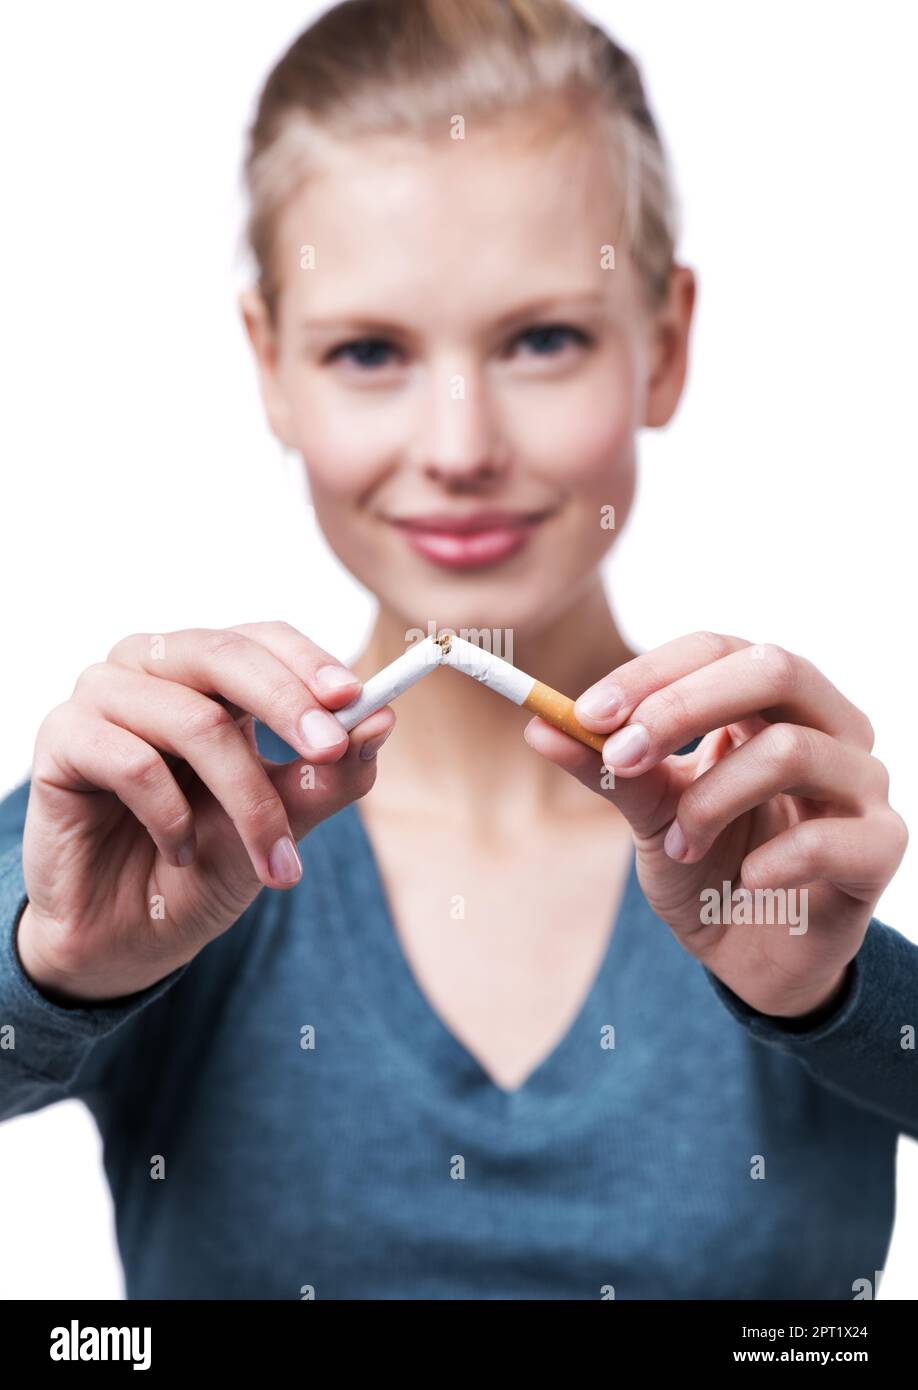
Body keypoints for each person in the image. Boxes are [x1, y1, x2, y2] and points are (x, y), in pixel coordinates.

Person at [0, 0, 913, 1301]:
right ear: (269, 364)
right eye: (368, 350)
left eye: (543, 339)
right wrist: (56, 967)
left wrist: (835, 997)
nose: (460, 446)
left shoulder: (793, 827)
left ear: (666, 341)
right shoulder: (162, 820)